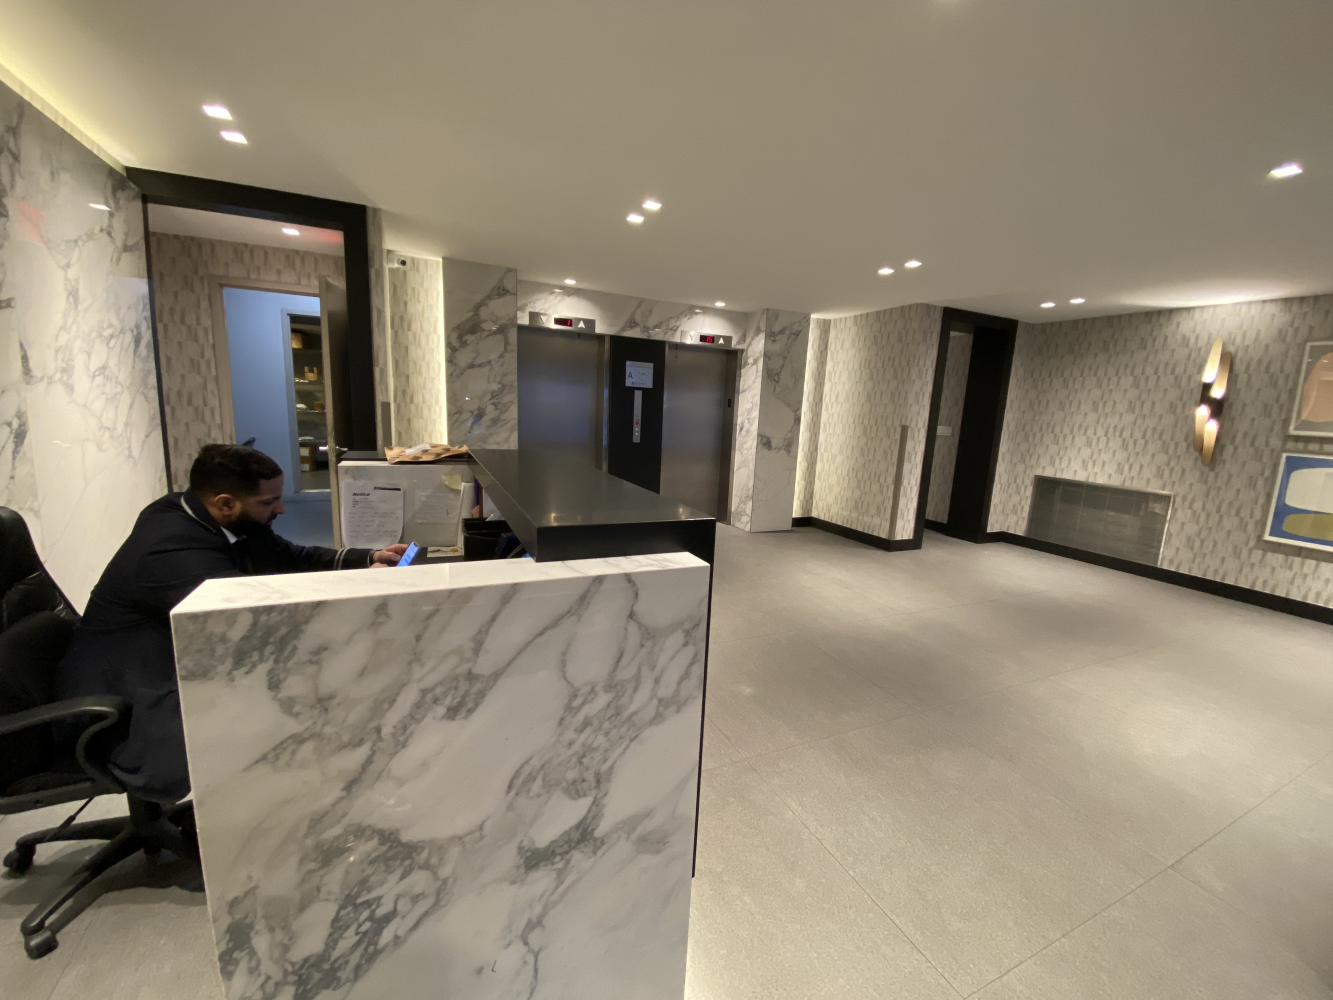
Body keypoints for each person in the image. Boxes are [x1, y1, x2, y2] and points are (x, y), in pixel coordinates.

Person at [58, 444, 407, 804]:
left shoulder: (212, 518)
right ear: (225, 503)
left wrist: (366, 560)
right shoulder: (171, 547)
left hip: (173, 666)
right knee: (301, 701)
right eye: (269, 502)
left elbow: (288, 556)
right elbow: (251, 620)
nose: (281, 509)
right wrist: (357, 602)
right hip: (129, 707)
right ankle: (281, 817)